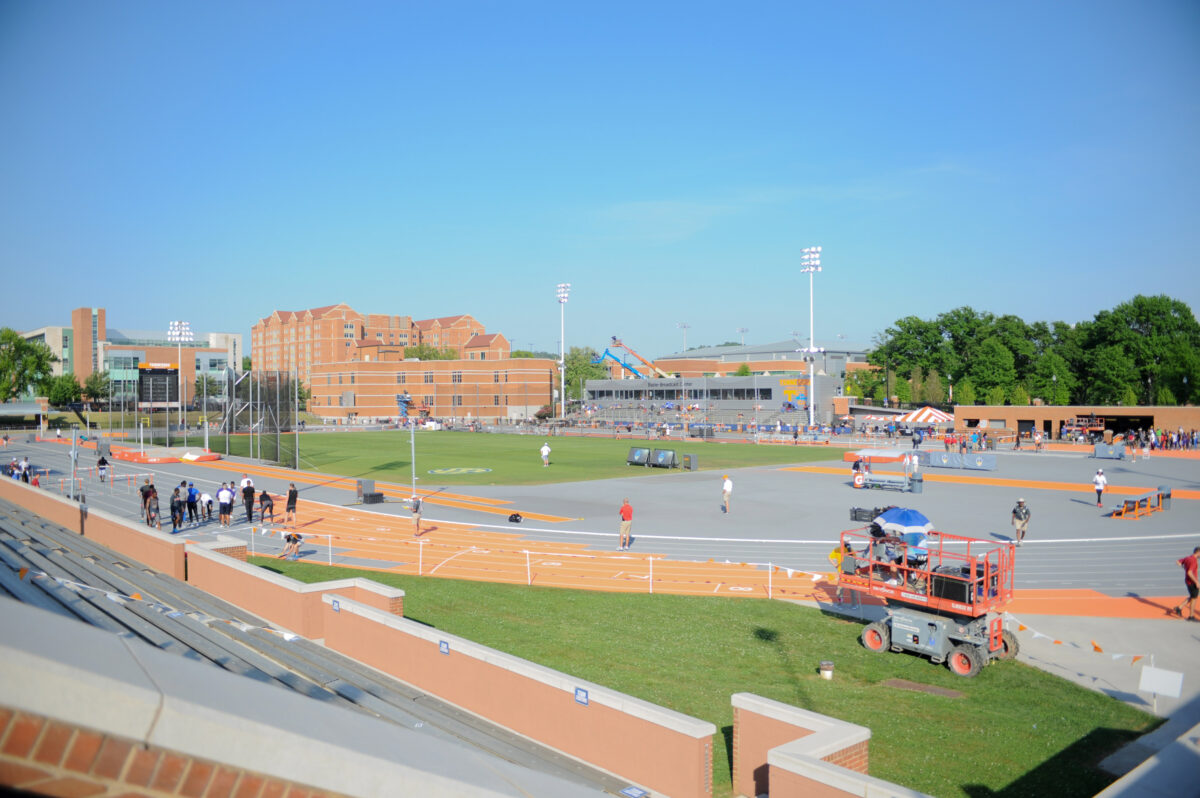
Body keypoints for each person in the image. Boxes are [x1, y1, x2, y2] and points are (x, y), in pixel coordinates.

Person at [1170, 547, 1199, 620]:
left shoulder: (1188, 558)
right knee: (1194, 598)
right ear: (1198, 552)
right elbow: (1189, 572)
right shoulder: (1193, 560)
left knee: (1192, 596)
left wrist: (1181, 565)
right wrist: (1197, 582)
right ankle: (1191, 616)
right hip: (1192, 582)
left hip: (1187, 581)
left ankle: (1179, 608)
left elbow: (1178, 561)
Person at [829, 541, 859, 607]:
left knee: (840, 590)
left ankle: (840, 604)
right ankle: (854, 605)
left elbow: (829, 557)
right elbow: (855, 560)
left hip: (841, 572)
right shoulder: (851, 550)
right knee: (852, 589)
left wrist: (835, 565)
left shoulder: (837, 549)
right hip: (849, 571)